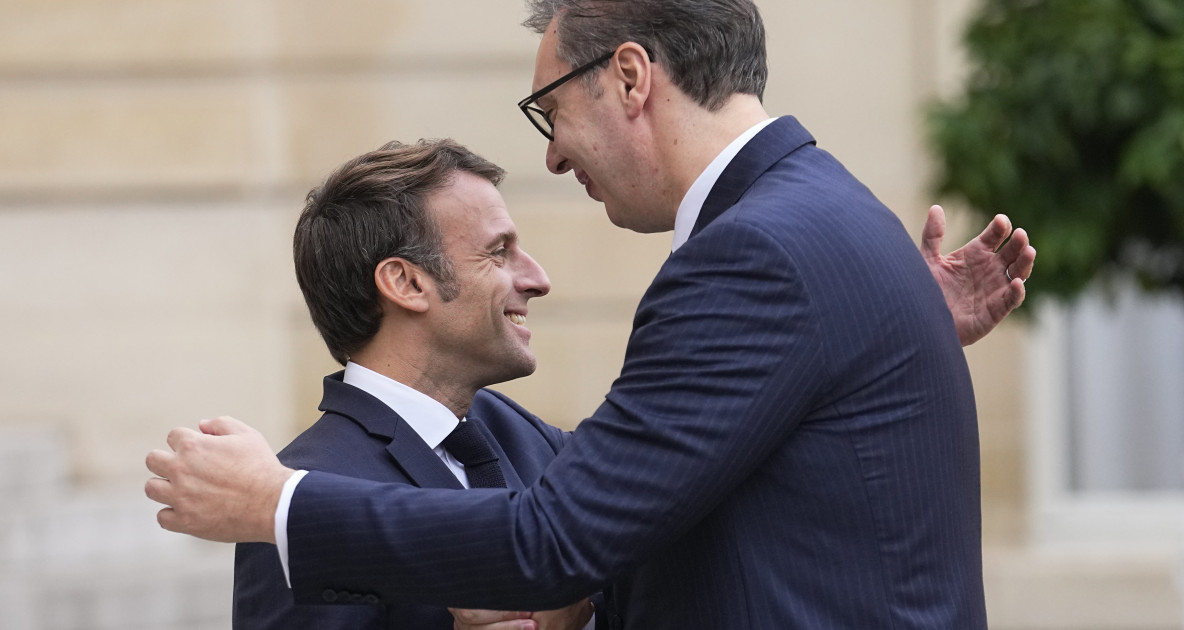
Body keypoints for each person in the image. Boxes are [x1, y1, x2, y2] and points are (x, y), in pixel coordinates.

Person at [146, 1, 1038, 628]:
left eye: (552, 111)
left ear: (630, 76)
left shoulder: (752, 254)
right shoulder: (829, 216)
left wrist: (276, 503)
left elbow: (556, 539)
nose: (555, 155)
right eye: (497, 251)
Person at [232, 139, 592, 629]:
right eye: (498, 252)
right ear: (405, 283)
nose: (537, 279)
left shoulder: (523, 434)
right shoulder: (296, 500)